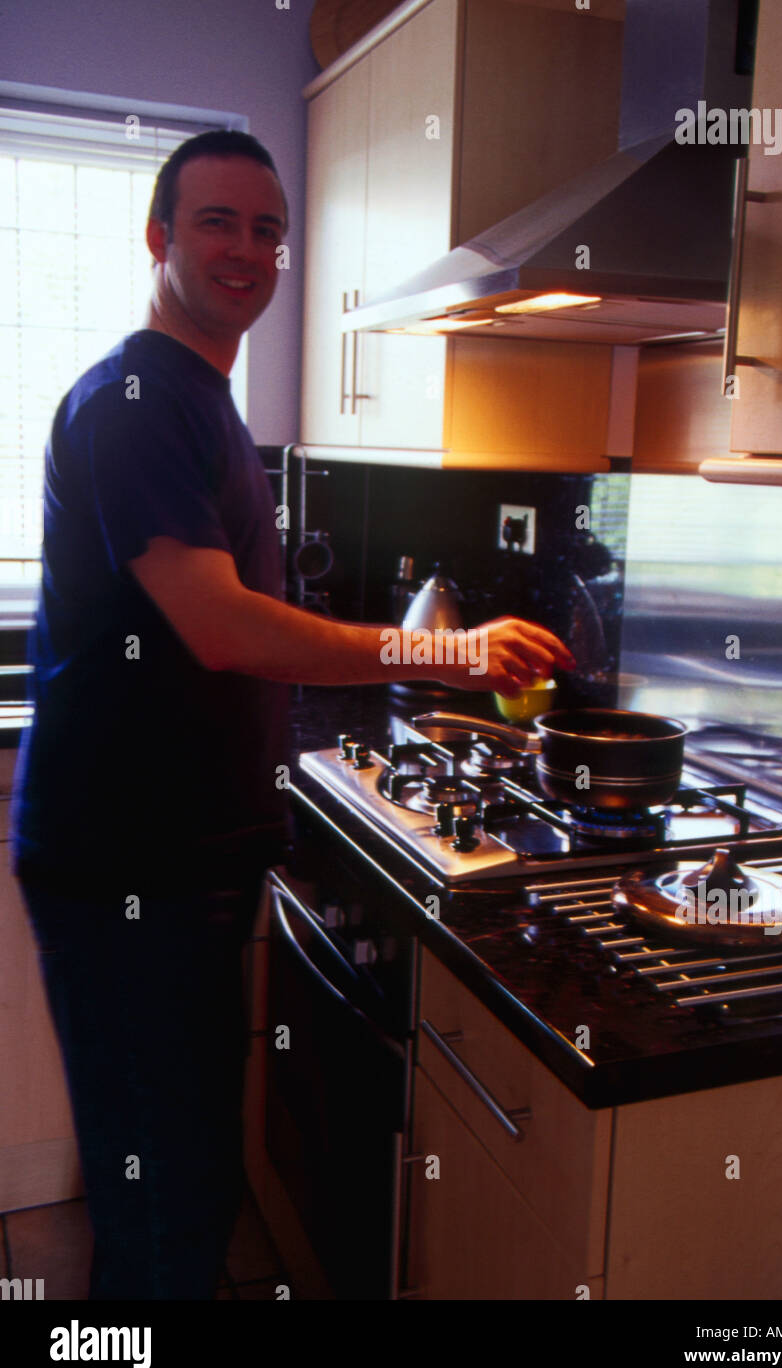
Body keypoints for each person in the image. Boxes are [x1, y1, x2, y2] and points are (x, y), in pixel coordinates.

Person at [9, 131, 575, 1301]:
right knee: (169, 1188)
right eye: (217, 221)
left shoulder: (198, 399)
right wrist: (442, 650)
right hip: (131, 867)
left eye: (268, 230)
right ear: (160, 236)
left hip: (172, 858)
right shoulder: (137, 400)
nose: (248, 249)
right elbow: (222, 626)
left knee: (171, 1177)